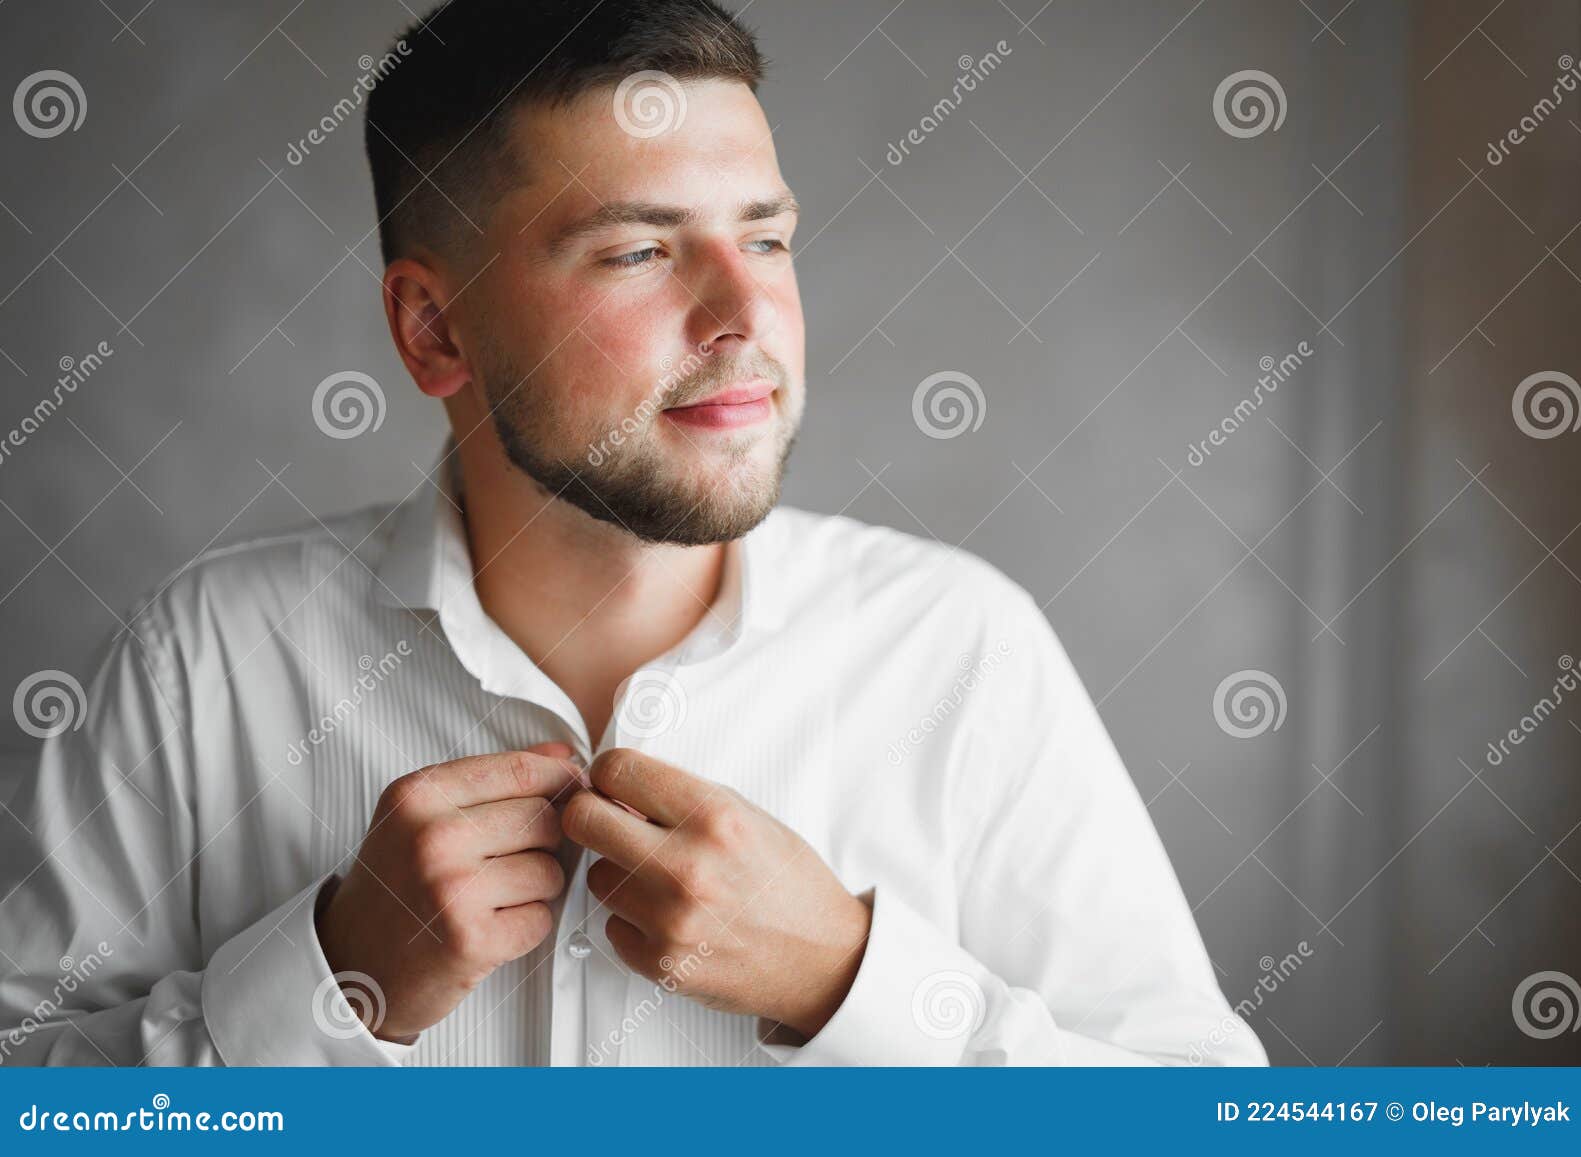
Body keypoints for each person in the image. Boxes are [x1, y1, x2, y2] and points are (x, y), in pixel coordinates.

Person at [0, 0, 1265, 1067]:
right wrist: (322, 981)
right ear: (433, 330)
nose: (745, 314)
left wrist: (852, 982)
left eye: (766, 237)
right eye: (638, 250)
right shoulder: (203, 659)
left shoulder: (961, 647)